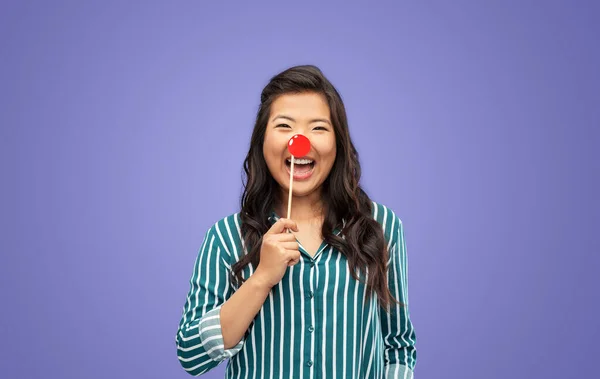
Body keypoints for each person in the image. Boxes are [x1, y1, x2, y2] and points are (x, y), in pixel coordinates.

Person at [175, 65, 417, 378]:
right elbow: (191, 354)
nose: (299, 141)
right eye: (284, 126)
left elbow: (398, 346)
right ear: (262, 142)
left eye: (318, 128)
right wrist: (261, 278)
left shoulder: (382, 226)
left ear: (338, 143)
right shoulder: (225, 237)